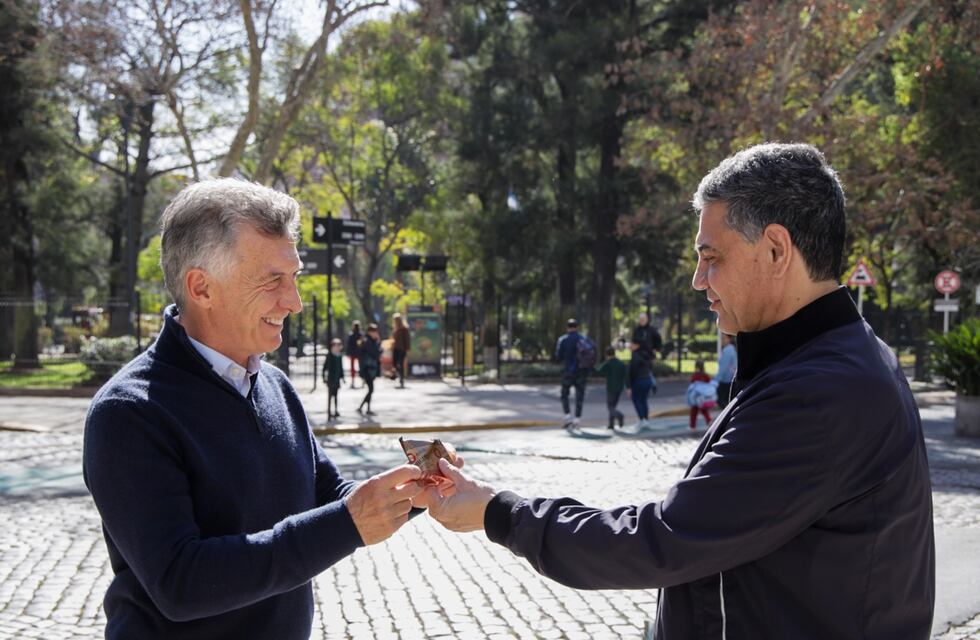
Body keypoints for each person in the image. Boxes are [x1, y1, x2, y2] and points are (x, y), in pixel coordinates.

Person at [422, 143, 935, 639]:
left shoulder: (820, 391)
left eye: (712, 257)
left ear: (777, 249)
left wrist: (498, 512)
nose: (698, 279)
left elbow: (665, 539)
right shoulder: (834, 359)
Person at [82, 178, 435, 639]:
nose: (294, 302)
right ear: (201, 287)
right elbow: (181, 584)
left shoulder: (274, 386)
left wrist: (414, 489)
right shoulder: (128, 413)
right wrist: (349, 523)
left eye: (294, 278)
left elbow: (328, 494)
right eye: (272, 281)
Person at [554, 318, 592, 429]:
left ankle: (567, 417)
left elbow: (558, 356)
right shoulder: (584, 339)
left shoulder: (563, 340)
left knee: (564, 394)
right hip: (581, 372)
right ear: (577, 327)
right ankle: (577, 420)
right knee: (579, 396)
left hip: (568, 372)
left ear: (567, 328)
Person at [593, 346, 627, 430]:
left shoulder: (608, 364)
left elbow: (599, 372)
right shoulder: (621, 364)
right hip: (619, 388)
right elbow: (625, 375)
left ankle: (619, 416)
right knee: (613, 406)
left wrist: (593, 366)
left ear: (607, 355)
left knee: (610, 407)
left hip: (611, 388)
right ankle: (611, 424)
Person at [626, 339, 656, 429]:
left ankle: (642, 419)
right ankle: (645, 420)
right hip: (647, 379)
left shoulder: (635, 355)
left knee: (636, 399)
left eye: (632, 344)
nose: (630, 346)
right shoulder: (645, 354)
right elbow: (650, 367)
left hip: (639, 380)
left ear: (637, 345)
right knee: (643, 400)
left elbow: (632, 371)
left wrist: (629, 386)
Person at [357, 323, 382, 416]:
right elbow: (375, 353)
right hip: (368, 369)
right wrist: (379, 345)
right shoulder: (368, 342)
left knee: (371, 389)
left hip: (370, 369)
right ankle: (365, 408)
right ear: (370, 332)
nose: (376, 334)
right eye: (375, 332)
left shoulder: (370, 341)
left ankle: (363, 408)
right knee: (371, 389)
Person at [686, 359, 715, 431]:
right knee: (704, 409)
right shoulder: (705, 375)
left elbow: (692, 383)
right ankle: (709, 421)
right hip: (703, 397)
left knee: (694, 411)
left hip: (696, 396)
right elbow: (709, 382)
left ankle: (692, 426)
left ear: (696, 366)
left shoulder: (695, 375)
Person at [322, 338, 345, 420]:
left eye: (339, 345)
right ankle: (329, 412)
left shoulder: (339, 356)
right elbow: (324, 368)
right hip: (331, 379)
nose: (338, 347)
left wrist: (343, 377)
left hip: (337, 380)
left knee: (336, 396)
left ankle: (335, 411)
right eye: (336, 345)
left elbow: (341, 368)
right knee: (330, 396)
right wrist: (324, 378)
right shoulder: (330, 356)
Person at [716, 332, 737, 408]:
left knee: (721, 401)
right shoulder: (731, 349)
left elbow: (723, 368)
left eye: (723, 338)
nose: (722, 340)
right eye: (721, 338)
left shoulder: (727, 351)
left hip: (726, 380)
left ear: (729, 339)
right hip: (730, 380)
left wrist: (716, 380)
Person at [391, 312, 410, 388]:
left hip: (402, 349)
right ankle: (398, 375)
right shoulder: (395, 329)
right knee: (395, 363)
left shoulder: (404, 329)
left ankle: (401, 378)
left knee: (401, 364)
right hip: (395, 348)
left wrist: (407, 349)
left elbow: (407, 339)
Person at [345, 321, 362, 389]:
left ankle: (353, 381)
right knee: (360, 367)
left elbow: (349, 345)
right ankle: (362, 380)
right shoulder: (360, 335)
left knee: (353, 368)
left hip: (353, 353)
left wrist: (348, 353)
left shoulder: (352, 335)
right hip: (359, 353)